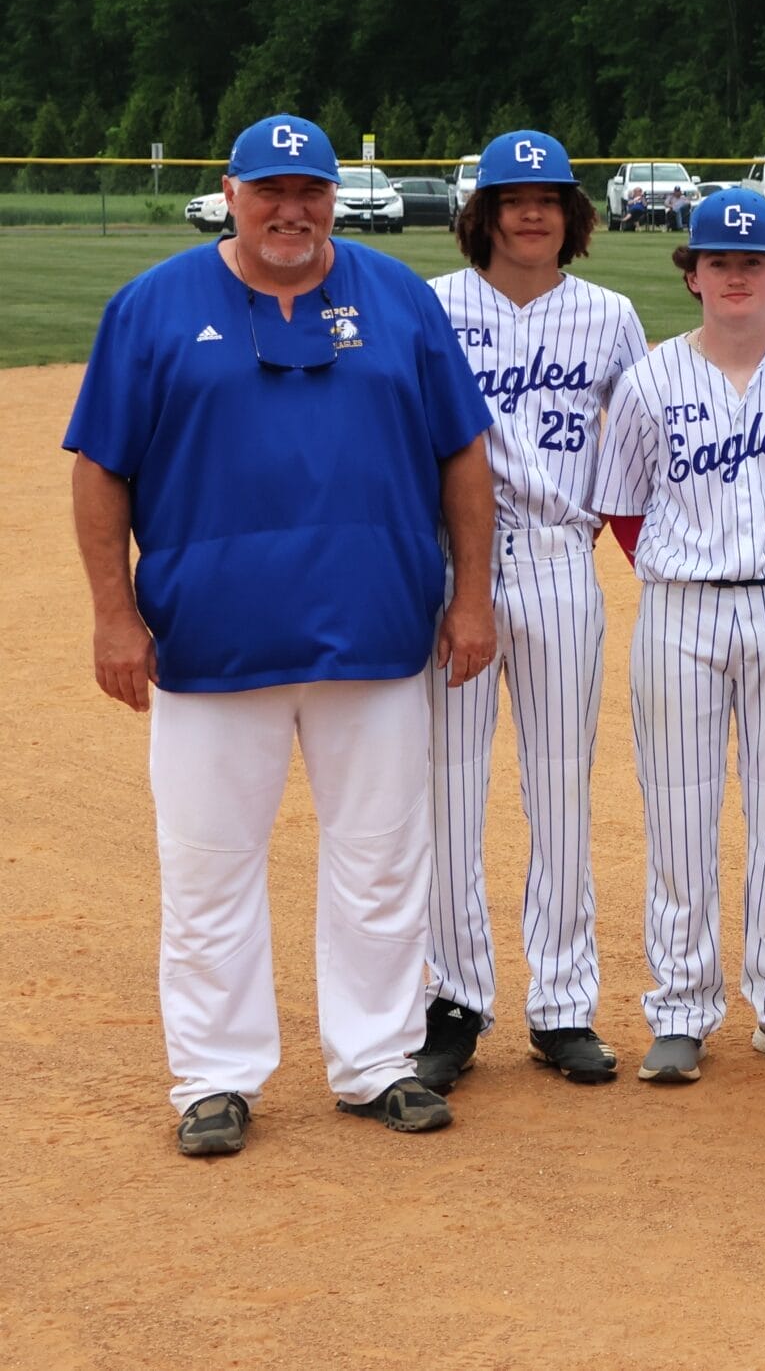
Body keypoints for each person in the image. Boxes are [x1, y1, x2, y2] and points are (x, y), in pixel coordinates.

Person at [66, 114, 495, 1155]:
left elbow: (464, 459)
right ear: (231, 192)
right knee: (209, 866)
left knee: (382, 861)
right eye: (270, 191)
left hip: (377, 629)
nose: (291, 210)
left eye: (309, 190)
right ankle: (214, 1077)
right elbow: (99, 468)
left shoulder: (399, 299)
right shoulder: (154, 305)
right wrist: (114, 614)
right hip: (210, 641)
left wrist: (471, 596)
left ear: (333, 197)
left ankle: (378, 1061)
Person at [589, 188, 765, 1083]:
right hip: (681, 610)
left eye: (753, 262)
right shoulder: (650, 380)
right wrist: (686, 565)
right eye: (718, 262)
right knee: (678, 811)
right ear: (692, 274)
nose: (735, 274)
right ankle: (683, 1007)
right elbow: (623, 508)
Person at [412, 129, 648, 1093]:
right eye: (514, 197)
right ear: (485, 212)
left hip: (558, 563)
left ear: (572, 214)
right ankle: (454, 1002)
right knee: (450, 792)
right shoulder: (433, 306)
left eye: (549, 197)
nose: (532, 211)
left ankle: (561, 1006)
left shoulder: (611, 314)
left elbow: (638, 443)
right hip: (452, 571)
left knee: (559, 787)